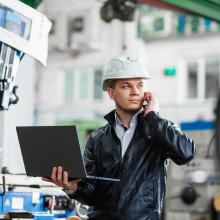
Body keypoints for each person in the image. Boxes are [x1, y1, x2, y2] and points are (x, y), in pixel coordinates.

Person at [43, 55, 196, 220]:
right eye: (126, 86)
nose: (135, 91)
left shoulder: (159, 130)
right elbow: (93, 195)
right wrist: (71, 188)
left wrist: (153, 117)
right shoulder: (97, 138)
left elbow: (186, 153)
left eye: (140, 85)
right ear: (111, 92)